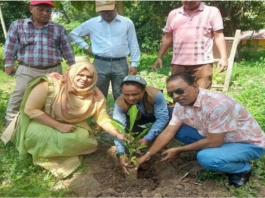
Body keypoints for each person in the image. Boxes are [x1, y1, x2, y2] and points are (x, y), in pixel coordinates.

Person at [136, 73, 265, 188]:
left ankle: (241, 169)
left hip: (247, 144)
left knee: (206, 158)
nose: (176, 96)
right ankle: (222, 153)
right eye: (171, 94)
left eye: (180, 91)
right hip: (218, 137)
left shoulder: (218, 104)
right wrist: (147, 156)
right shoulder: (181, 104)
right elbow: (168, 132)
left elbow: (214, 142)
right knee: (178, 130)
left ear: (195, 86)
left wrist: (179, 150)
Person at [4, 62, 128, 178]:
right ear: (72, 73)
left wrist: (118, 134)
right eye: (80, 75)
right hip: (41, 121)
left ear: (94, 78)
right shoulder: (50, 84)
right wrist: (59, 126)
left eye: (89, 76)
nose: (84, 79)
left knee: (85, 140)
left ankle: (55, 152)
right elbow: (31, 110)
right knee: (37, 136)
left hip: (72, 124)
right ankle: (47, 156)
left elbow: (102, 118)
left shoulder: (95, 94)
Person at [4, 0, 75, 127]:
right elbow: (10, 46)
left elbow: (67, 49)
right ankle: (12, 127)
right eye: (40, 9)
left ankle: (50, 125)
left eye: (48, 11)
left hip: (53, 70)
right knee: (19, 95)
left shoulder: (58, 29)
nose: (45, 13)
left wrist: (73, 67)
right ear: (31, 9)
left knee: (55, 98)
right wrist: (8, 63)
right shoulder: (18, 25)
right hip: (27, 69)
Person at [69, 1, 140, 101]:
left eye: (108, 10)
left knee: (121, 90)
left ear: (115, 6)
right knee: (98, 90)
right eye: (102, 11)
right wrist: (86, 47)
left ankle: (119, 113)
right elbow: (73, 34)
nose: (106, 13)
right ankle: (99, 113)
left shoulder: (127, 22)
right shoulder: (92, 23)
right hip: (100, 62)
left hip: (120, 63)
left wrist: (134, 63)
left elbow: (133, 43)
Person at [152, 1, 227, 89]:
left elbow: (218, 36)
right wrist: (159, 57)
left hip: (203, 64)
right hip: (178, 63)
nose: (188, 1)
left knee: (202, 95)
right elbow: (168, 37)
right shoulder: (174, 14)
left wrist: (224, 58)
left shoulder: (212, 12)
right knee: (179, 95)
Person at [113, 75, 170, 174]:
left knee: (172, 114)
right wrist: (121, 153)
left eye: (135, 94)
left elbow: (162, 118)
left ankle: (162, 137)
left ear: (144, 90)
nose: (130, 98)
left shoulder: (155, 95)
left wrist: (148, 138)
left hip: (153, 115)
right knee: (114, 119)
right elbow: (118, 129)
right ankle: (138, 133)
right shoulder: (119, 103)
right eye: (126, 94)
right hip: (137, 119)